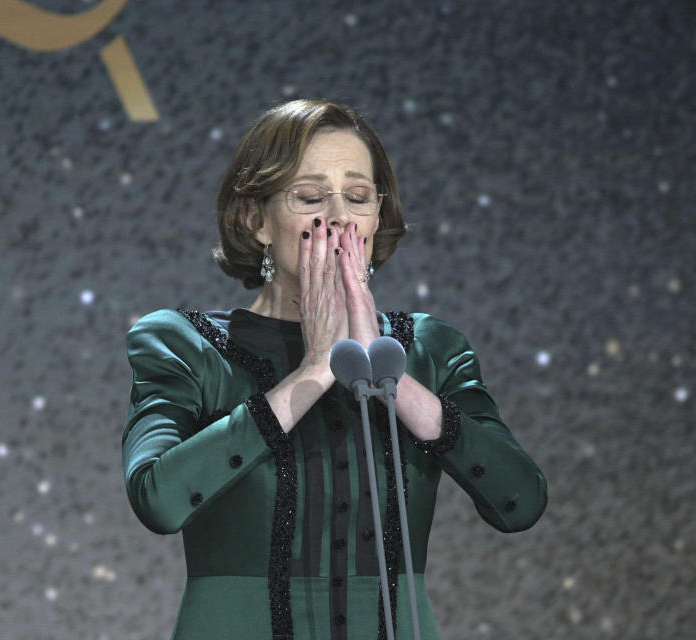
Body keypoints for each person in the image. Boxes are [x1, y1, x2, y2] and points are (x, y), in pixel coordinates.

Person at [122, 99, 547, 640]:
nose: (339, 217)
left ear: (376, 219)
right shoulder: (184, 343)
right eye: (310, 197)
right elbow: (158, 500)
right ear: (257, 220)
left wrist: (389, 374)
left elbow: (521, 502)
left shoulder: (432, 347)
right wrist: (315, 369)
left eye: (358, 196)